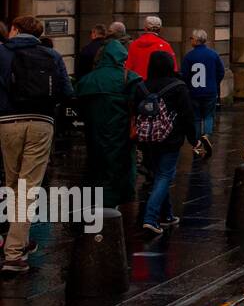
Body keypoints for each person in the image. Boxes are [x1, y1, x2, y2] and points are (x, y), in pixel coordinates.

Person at [0, 17, 74, 274]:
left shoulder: (2, 52)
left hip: (7, 122)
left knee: (11, 184)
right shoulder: (51, 55)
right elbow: (66, 91)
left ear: (16, 30)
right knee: (28, 187)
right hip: (41, 123)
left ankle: (13, 241)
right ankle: (14, 251)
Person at [133, 50, 195, 235]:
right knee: (164, 176)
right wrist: (194, 139)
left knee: (159, 175)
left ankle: (167, 215)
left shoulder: (141, 87)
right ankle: (150, 218)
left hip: (147, 139)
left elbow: (133, 111)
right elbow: (187, 115)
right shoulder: (178, 87)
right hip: (170, 138)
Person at [76, 36, 141, 211]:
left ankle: (98, 201)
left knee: (97, 166)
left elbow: (76, 104)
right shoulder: (129, 78)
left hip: (95, 133)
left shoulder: (88, 80)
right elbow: (144, 102)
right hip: (121, 133)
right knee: (120, 167)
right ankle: (115, 202)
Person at [181, 29, 224, 159]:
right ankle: (207, 135)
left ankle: (197, 143)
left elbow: (185, 75)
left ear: (195, 40)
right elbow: (221, 72)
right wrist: (214, 83)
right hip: (210, 90)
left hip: (194, 91)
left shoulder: (189, 56)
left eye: (191, 38)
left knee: (196, 117)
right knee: (209, 115)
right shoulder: (213, 54)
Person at [125, 15, 177, 80]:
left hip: (137, 84)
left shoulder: (134, 44)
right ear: (160, 29)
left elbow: (128, 68)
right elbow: (173, 69)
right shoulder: (165, 45)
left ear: (145, 28)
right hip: (157, 84)